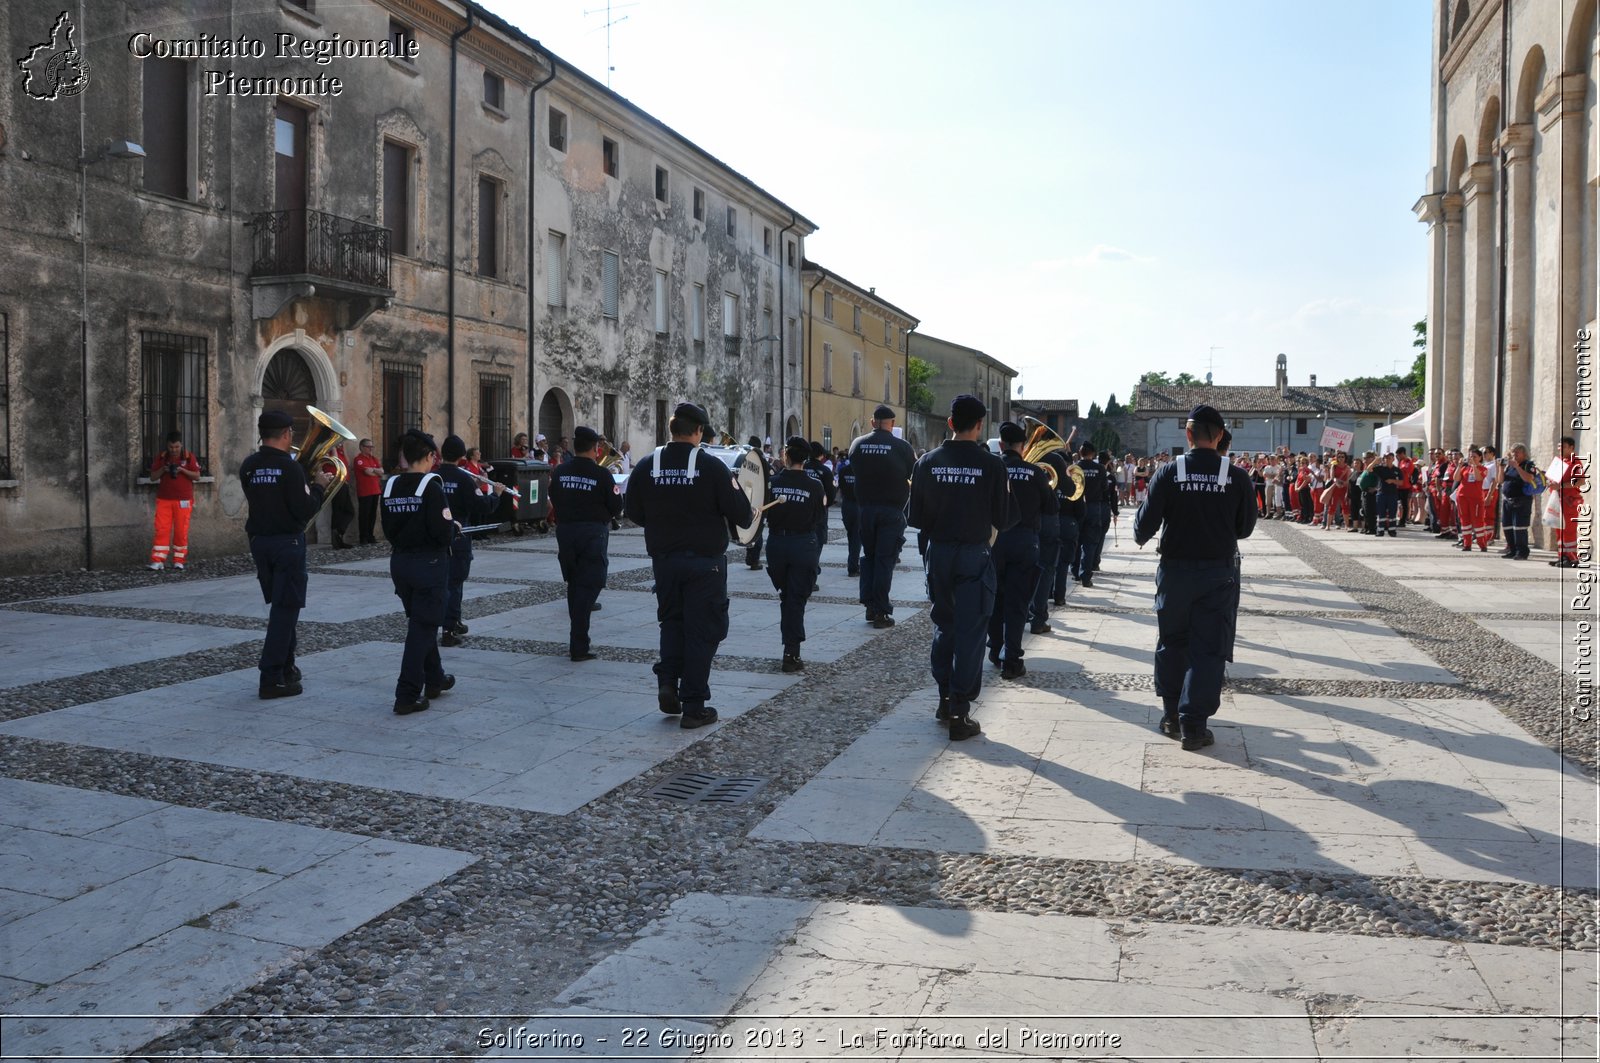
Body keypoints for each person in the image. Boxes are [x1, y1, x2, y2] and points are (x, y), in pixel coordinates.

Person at [1133, 404, 1256, 751]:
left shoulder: (1169, 472)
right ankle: (1194, 726)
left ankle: (1171, 714)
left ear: (1187, 434)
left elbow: (1144, 525)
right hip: (1218, 573)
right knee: (1208, 649)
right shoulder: (1237, 475)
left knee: (1172, 641)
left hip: (1175, 572)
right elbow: (1244, 528)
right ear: (1219, 437)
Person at [624, 402, 753, 729]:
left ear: (672, 430)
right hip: (704, 565)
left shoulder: (647, 465)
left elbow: (633, 512)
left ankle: (668, 682)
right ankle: (694, 706)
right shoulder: (712, 467)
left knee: (671, 622)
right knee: (703, 631)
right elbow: (742, 514)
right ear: (698, 432)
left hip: (664, 562)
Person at [908, 394, 1016, 741]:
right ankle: (959, 708)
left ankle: (943, 697)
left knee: (944, 623)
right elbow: (1004, 518)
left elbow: (915, 517)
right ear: (980, 425)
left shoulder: (927, 461)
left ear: (950, 423)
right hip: (973, 554)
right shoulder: (992, 465)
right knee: (971, 632)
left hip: (938, 553)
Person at [240, 410, 330, 699]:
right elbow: (305, 509)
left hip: (260, 543)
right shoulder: (291, 469)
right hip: (287, 544)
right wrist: (318, 486)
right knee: (285, 610)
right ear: (287, 434)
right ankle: (271, 676)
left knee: (282, 607)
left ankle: (287, 667)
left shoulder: (249, 466)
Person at [381, 430, 457, 714]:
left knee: (421, 621)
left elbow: (388, 529)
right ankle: (407, 694)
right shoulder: (431, 486)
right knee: (422, 629)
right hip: (429, 564)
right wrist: (452, 530)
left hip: (400, 563)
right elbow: (442, 532)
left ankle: (434, 678)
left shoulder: (390, 486)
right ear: (428, 457)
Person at [987, 421, 1056, 679]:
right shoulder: (1035, 471)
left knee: (994, 597)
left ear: (1001, 444)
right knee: (1018, 602)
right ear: (1023, 446)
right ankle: (1012, 659)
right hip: (1026, 542)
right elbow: (1051, 508)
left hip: (995, 541)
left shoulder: (993, 468)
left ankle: (995, 649)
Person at [550, 426, 623, 660]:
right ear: (596, 449)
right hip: (592, 533)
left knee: (574, 583)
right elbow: (617, 506)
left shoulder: (561, 471)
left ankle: (578, 639)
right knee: (591, 583)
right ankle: (579, 644)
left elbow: (554, 496)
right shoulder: (602, 475)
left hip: (567, 532)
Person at [847, 404, 917, 629]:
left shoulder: (858, 444)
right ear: (893, 424)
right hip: (891, 511)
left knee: (869, 557)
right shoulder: (902, 447)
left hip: (866, 510)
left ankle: (869, 604)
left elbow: (856, 469)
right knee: (885, 561)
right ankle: (881, 611)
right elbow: (911, 475)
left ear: (872, 422)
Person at [436, 435, 507, 647]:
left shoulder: (433, 476)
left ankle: (454, 620)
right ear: (460, 456)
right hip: (459, 534)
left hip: (437, 536)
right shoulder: (463, 479)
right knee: (455, 581)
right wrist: (496, 494)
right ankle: (448, 628)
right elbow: (482, 505)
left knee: (443, 581)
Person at [766, 437, 824, 672]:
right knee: (795, 599)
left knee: (787, 596)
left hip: (777, 544)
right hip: (803, 544)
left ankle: (790, 648)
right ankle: (791, 652)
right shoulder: (815, 486)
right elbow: (818, 517)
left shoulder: (772, 482)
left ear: (786, 456)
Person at [1029, 440, 1072, 633]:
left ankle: (1023, 614)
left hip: (1024, 519)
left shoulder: (1024, 458)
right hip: (1047, 519)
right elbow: (1070, 491)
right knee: (1046, 570)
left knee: (1022, 569)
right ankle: (1038, 619)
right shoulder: (1055, 459)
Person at [147, 430, 201, 570]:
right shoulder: (161, 457)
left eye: (176, 447)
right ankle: (158, 560)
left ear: (181, 445)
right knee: (161, 529)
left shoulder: (189, 457)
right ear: (167, 445)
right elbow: (153, 477)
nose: (174, 450)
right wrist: (163, 470)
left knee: (181, 530)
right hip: (164, 499)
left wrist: (182, 470)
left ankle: (179, 560)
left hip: (184, 500)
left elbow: (197, 476)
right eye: (171, 447)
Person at [1074, 442, 1109, 587]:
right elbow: (1105, 488)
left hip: (1076, 507)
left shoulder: (1075, 468)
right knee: (1090, 544)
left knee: (1076, 541)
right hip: (1094, 507)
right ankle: (1086, 576)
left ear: (1080, 452)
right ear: (1093, 454)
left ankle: (1075, 572)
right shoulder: (1100, 468)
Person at [1500, 443, 1542, 560]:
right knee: (1507, 526)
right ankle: (1512, 550)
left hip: (1522, 500)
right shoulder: (1509, 466)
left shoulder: (1528, 465)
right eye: (1513, 452)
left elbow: (1529, 478)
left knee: (1520, 527)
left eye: (1517, 452)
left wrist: (1517, 467)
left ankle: (1522, 552)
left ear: (1524, 453)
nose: (1514, 455)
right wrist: (1501, 468)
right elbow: (1500, 481)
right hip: (1507, 500)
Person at [1550, 437, 1587, 567]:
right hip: (1557, 500)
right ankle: (1562, 556)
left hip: (1570, 501)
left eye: (1563, 446)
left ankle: (1572, 559)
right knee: (1559, 530)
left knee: (1569, 530)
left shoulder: (1575, 462)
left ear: (1571, 448)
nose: (1560, 449)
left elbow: (1581, 481)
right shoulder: (1559, 461)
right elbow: (1552, 480)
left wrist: (1561, 486)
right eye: (1559, 446)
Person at [804, 441, 836, 589]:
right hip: (819, 513)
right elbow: (830, 494)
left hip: (802, 511)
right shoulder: (825, 471)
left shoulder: (802, 467)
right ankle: (812, 576)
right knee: (817, 544)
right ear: (822, 455)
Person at [742, 436, 773, 571]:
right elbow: (770, 476)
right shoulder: (760, 459)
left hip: (746, 496)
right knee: (756, 531)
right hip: (757, 497)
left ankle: (751, 558)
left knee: (751, 529)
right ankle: (753, 560)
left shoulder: (745, 456)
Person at [1453, 447, 1491, 552]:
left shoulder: (1483, 469)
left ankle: (1482, 544)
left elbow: (1479, 478)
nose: (1472, 458)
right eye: (1470, 456)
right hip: (1462, 496)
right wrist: (1459, 466)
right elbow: (1456, 478)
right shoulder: (1465, 468)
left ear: (1480, 458)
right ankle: (1467, 544)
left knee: (1478, 521)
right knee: (1464, 521)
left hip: (1475, 498)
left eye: (1474, 457)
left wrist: (1474, 465)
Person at [323, 441, 356, 549]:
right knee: (339, 510)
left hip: (343, 483)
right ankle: (336, 538)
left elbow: (348, 464)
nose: (340, 443)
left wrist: (343, 447)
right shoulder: (327, 453)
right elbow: (335, 462)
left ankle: (338, 535)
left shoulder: (340, 451)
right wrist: (332, 447)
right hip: (335, 482)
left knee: (348, 511)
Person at [352, 438, 384, 545]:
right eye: (368, 446)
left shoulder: (374, 458)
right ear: (362, 447)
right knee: (364, 515)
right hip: (365, 491)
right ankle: (363, 537)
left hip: (375, 490)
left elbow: (381, 472)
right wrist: (375, 471)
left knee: (372, 515)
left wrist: (373, 470)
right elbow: (367, 472)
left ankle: (370, 535)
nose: (371, 448)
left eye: (372, 446)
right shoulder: (358, 459)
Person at [834, 446, 859, 578]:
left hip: (846, 505)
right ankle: (853, 566)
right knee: (856, 536)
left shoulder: (843, 471)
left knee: (851, 535)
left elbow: (840, 487)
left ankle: (853, 562)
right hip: (858, 505)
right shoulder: (862, 472)